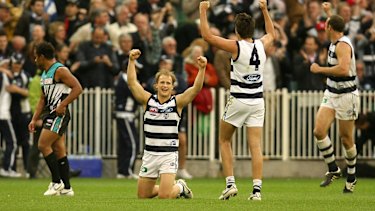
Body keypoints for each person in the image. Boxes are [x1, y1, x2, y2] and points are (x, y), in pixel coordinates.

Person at [199, 0, 275, 201]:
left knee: (224, 140)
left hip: (239, 98)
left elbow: (207, 36)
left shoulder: (236, 46)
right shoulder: (261, 44)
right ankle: (257, 191)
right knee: (256, 146)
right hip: (258, 101)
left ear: (236, 30)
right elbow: (272, 34)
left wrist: (203, 11)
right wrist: (265, 10)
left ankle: (230, 183)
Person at [127, 49, 206, 199]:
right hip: (150, 154)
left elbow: (196, 89)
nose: (164, 86)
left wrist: (202, 69)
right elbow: (132, 83)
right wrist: (131, 61)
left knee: (165, 196)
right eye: (162, 82)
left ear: (172, 87)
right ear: (156, 85)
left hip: (168, 155)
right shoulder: (148, 100)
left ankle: (179, 187)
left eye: (168, 83)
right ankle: (177, 187)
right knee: (143, 195)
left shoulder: (177, 102)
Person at [310, 2, 359, 193]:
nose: (325, 26)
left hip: (347, 95)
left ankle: (352, 177)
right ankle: (333, 168)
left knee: (346, 139)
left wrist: (319, 69)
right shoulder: (335, 36)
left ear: (330, 28)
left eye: (326, 24)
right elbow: (333, 20)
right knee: (319, 131)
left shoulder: (343, 45)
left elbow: (344, 69)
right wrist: (328, 11)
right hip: (331, 93)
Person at [28, 42, 82, 196]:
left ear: (42, 56)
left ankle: (56, 182)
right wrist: (34, 119)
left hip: (59, 114)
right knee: (59, 149)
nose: (35, 59)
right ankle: (67, 188)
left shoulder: (60, 70)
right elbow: (42, 100)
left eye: (36, 56)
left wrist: (63, 104)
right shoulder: (45, 74)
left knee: (43, 144)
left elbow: (78, 88)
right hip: (50, 113)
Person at [114, 61, 139, 180]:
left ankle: (122, 171)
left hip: (123, 115)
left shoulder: (120, 79)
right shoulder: (127, 81)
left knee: (123, 144)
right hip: (126, 115)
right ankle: (128, 171)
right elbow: (137, 95)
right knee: (133, 143)